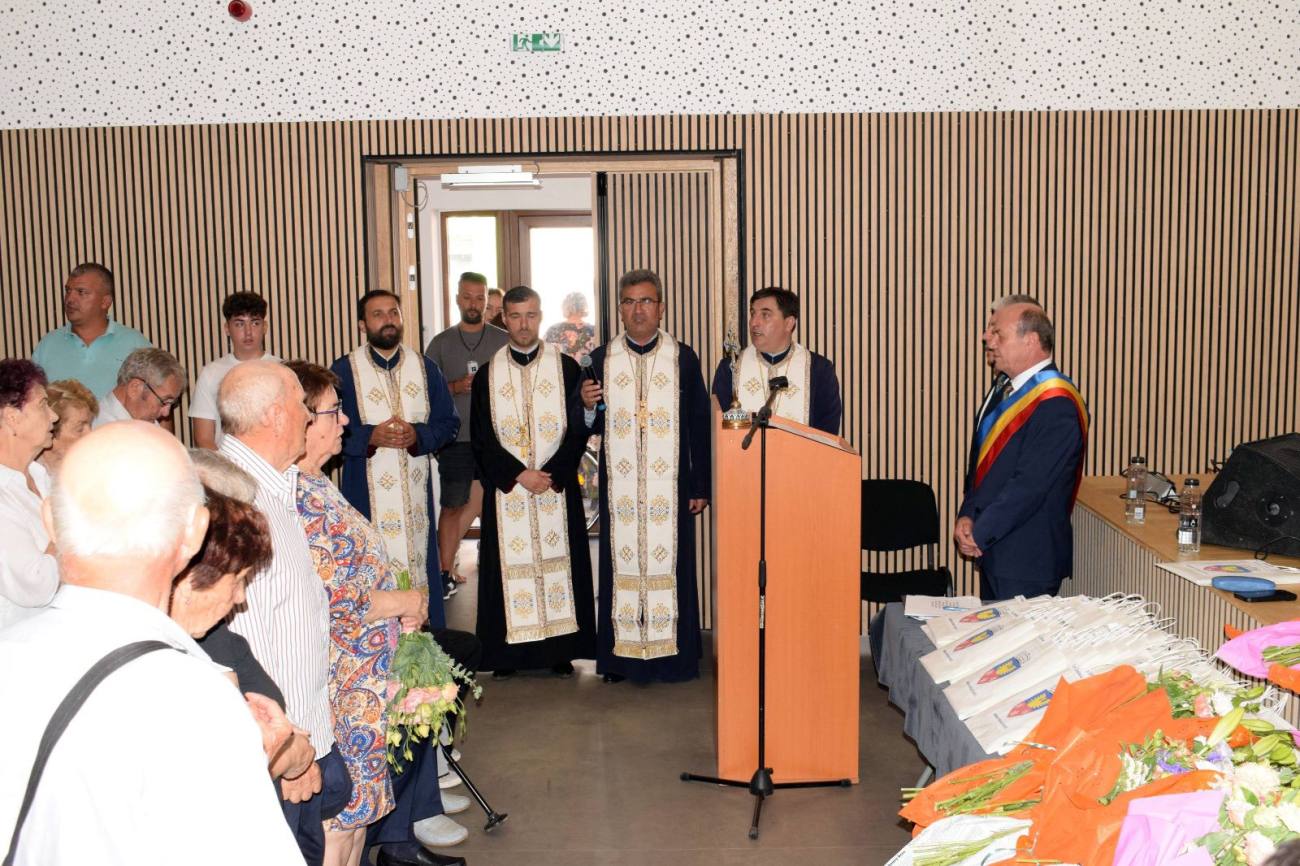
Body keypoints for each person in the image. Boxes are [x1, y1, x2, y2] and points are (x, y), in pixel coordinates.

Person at [0, 421, 304, 866]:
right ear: (196, 530)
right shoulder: (194, 694)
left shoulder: (9, 655)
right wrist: (262, 755)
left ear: (50, 521)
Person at [288, 361, 471, 865]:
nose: (346, 421)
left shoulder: (318, 482)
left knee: (355, 822)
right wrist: (404, 603)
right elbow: (334, 601)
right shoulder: (298, 497)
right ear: (303, 419)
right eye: (335, 411)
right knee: (340, 825)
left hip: (367, 677)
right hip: (344, 684)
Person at [216, 360, 348, 866]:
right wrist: (288, 749)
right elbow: (240, 645)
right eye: (300, 405)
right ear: (275, 415)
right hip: (276, 749)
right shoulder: (238, 497)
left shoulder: (276, 485)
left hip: (301, 735)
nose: (309, 416)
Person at [580, 270, 712, 684]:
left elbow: (699, 425)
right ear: (620, 309)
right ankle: (620, 661)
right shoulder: (600, 359)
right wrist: (586, 406)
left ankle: (674, 659)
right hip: (620, 491)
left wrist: (700, 485)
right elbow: (585, 426)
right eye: (630, 302)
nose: (638, 310)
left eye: (646, 301)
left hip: (669, 489)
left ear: (661, 308)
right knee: (619, 568)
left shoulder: (682, 358)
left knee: (671, 568)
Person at [470, 285, 596, 677]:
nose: (524, 324)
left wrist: (552, 474)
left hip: (554, 487)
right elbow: (482, 437)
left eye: (530, 315)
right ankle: (506, 656)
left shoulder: (566, 368)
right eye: (515, 316)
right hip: (509, 491)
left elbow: (578, 430)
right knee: (508, 570)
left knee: (560, 564)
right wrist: (518, 474)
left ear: (540, 317)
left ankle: (559, 651)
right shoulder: (488, 374)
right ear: (504, 319)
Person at [169, 474, 319, 787]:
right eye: (236, 580)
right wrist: (286, 757)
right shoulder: (157, 662)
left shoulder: (210, 636)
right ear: (189, 579)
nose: (240, 598)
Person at [330, 290, 459, 624]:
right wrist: (368, 436)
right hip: (364, 497)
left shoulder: (425, 368)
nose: (388, 320)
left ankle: (425, 646)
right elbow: (326, 429)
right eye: (378, 314)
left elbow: (449, 423)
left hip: (415, 502)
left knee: (420, 571)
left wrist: (419, 435)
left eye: (393, 312)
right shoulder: (344, 371)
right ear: (363, 324)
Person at [953, 296, 1088, 600]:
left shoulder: (1057, 404)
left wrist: (980, 533)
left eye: (997, 332)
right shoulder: (1003, 388)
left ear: (1031, 340)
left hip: (1027, 562)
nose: (986, 338)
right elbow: (982, 466)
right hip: (994, 551)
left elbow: (1030, 486)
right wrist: (968, 514)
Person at [424, 272, 508, 593]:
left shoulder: (503, 341)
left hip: (496, 439)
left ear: (486, 301)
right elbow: (424, 392)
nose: (473, 303)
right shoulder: (441, 343)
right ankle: (443, 574)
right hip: (455, 439)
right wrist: (456, 386)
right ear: (457, 298)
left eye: (479, 298)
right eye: (467, 297)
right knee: (452, 506)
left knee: (497, 509)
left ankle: (500, 573)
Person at [711, 287, 843, 435]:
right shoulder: (730, 368)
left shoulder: (819, 370)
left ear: (789, 323)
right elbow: (717, 429)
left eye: (765, 315)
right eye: (753, 313)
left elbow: (826, 434)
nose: (754, 322)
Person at [30, 262, 151, 399]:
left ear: (105, 302)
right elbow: (29, 399)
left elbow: (158, 398)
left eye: (81, 292)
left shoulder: (134, 344)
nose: (69, 299)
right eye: (68, 291)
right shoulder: (48, 345)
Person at [0, 360, 58, 630]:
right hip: (17, 642)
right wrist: (71, 530)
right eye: (43, 405)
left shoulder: (40, 475)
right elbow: (36, 586)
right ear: (12, 418)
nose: (54, 416)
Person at [191, 291, 279, 449]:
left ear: (264, 327)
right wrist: (225, 466)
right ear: (227, 328)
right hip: (225, 461)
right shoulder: (210, 373)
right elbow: (203, 438)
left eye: (255, 323)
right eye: (239, 324)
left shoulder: (283, 370)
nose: (248, 332)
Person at [93, 347, 185, 428]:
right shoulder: (104, 431)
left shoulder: (142, 421)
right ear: (135, 388)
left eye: (171, 403)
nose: (166, 413)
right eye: (164, 402)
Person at [36, 379, 98, 476]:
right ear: (50, 431)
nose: (90, 435)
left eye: (90, 425)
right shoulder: (28, 475)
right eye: (80, 429)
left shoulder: (91, 469)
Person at [543, 291, 596, 360]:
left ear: (564, 307)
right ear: (584, 307)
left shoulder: (553, 330)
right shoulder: (594, 330)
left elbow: (543, 356)